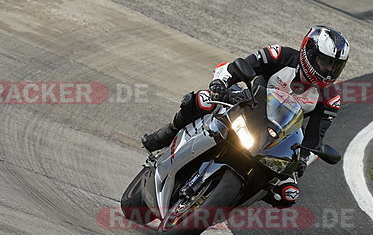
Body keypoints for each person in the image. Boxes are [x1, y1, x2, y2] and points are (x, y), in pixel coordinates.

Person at [141, 25, 350, 207]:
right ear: (309, 53)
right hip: (245, 103)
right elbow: (240, 65)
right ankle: (167, 135)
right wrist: (221, 84)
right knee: (202, 100)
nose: (328, 70)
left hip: (276, 136)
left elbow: (314, 137)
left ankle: (230, 199)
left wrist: (302, 160)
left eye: (334, 66)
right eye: (324, 61)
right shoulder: (280, 55)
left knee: (287, 194)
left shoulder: (330, 99)